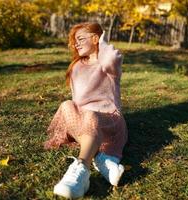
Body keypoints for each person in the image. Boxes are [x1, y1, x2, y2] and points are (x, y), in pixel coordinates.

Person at [44, 22, 128, 199]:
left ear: (95, 39)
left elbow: (112, 58)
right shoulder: (76, 66)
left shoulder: (108, 65)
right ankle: (103, 160)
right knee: (67, 104)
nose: (76, 44)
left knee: (90, 114)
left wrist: (103, 43)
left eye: (81, 39)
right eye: (75, 41)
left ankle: (81, 169)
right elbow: (77, 100)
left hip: (109, 121)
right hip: (86, 124)